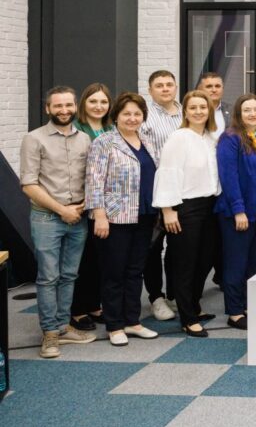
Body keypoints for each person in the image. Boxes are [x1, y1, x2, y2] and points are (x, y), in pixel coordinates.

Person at [20, 86, 96, 357]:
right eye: (58, 106)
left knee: (69, 274)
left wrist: (84, 204)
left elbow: (91, 178)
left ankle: (63, 326)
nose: (64, 110)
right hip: (47, 217)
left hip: (78, 216)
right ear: (48, 109)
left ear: (75, 107)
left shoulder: (84, 139)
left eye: (68, 105)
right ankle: (49, 333)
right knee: (48, 277)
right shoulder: (34, 138)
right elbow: (28, 184)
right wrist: (61, 210)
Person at [86, 92, 161, 346]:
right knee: (113, 272)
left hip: (145, 215)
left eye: (137, 114)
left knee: (135, 271)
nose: (132, 118)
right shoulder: (104, 142)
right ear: (116, 115)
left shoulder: (148, 140)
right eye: (126, 113)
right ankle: (114, 325)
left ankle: (133, 321)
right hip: (115, 217)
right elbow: (94, 182)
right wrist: (99, 215)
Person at [152, 90, 220, 338]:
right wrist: (168, 211)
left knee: (205, 261)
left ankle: (194, 306)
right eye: (193, 107)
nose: (199, 111)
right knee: (185, 263)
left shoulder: (211, 138)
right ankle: (187, 317)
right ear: (185, 112)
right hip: (185, 207)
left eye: (203, 107)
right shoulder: (179, 137)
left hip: (210, 206)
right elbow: (167, 172)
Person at [215, 94, 256, 330]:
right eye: (247, 110)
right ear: (239, 114)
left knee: (254, 261)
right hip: (238, 212)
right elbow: (228, 177)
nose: (253, 114)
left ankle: (249, 304)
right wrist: (238, 210)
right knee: (236, 262)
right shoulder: (230, 139)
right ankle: (234, 311)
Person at [69, 83, 113, 331]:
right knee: (82, 260)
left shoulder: (111, 128)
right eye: (93, 101)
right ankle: (77, 310)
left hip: (107, 205)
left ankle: (94, 305)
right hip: (82, 203)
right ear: (84, 104)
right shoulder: (77, 130)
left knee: (100, 259)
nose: (98, 106)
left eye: (103, 102)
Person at [141, 70, 183, 323]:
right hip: (154, 189)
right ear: (150, 90)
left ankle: (175, 293)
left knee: (178, 247)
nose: (165, 89)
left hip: (184, 190)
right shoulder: (145, 116)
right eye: (159, 85)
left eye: (169, 84)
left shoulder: (186, 112)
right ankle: (156, 297)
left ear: (176, 87)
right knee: (153, 247)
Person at [197, 72, 229, 138]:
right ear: (200, 89)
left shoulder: (233, 111)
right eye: (209, 86)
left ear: (222, 89)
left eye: (217, 86)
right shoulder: (193, 111)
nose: (214, 90)